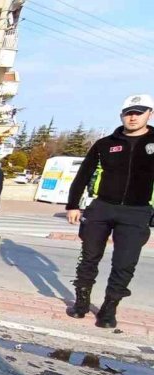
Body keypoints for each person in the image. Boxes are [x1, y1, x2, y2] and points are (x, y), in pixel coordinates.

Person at [65, 94, 154, 328]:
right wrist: (73, 205)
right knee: (89, 257)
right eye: (129, 112)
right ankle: (81, 302)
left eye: (139, 112)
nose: (133, 117)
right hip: (102, 208)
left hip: (137, 211)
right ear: (121, 115)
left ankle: (109, 308)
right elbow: (83, 174)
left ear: (149, 114)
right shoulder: (105, 144)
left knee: (124, 264)